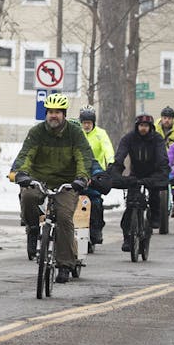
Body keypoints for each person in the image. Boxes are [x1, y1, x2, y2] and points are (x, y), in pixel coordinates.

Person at [10, 93, 91, 283]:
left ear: (63, 114)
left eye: (57, 112)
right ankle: (32, 228)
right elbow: (26, 155)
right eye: (50, 112)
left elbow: (83, 157)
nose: (53, 116)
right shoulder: (37, 132)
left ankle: (65, 264)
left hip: (67, 183)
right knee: (28, 196)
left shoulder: (75, 133)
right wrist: (22, 173)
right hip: (40, 179)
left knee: (64, 219)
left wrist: (81, 178)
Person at [111, 113, 170, 252]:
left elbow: (162, 158)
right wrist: (116, 170)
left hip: (153, 174)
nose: (143, 128)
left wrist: (161, 174)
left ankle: (154, 217)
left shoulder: (157, 139)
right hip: (135, 175)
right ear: (137, 126)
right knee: (131, 204)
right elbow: (120, 155)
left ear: (151, 127)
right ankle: (127, 237)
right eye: (141, 126)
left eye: (146, 126)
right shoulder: (129, 138)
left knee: (155, 195)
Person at [79, 105, 113, 245]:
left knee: (96, 202)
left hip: (96, 172)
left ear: (93, 123)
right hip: (78, 171)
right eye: (84, 123)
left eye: (89, 123)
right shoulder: (77, 133)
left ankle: (96, 230)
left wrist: (111, 163)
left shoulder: (100, 133)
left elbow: (107, 148)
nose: (86, 125)